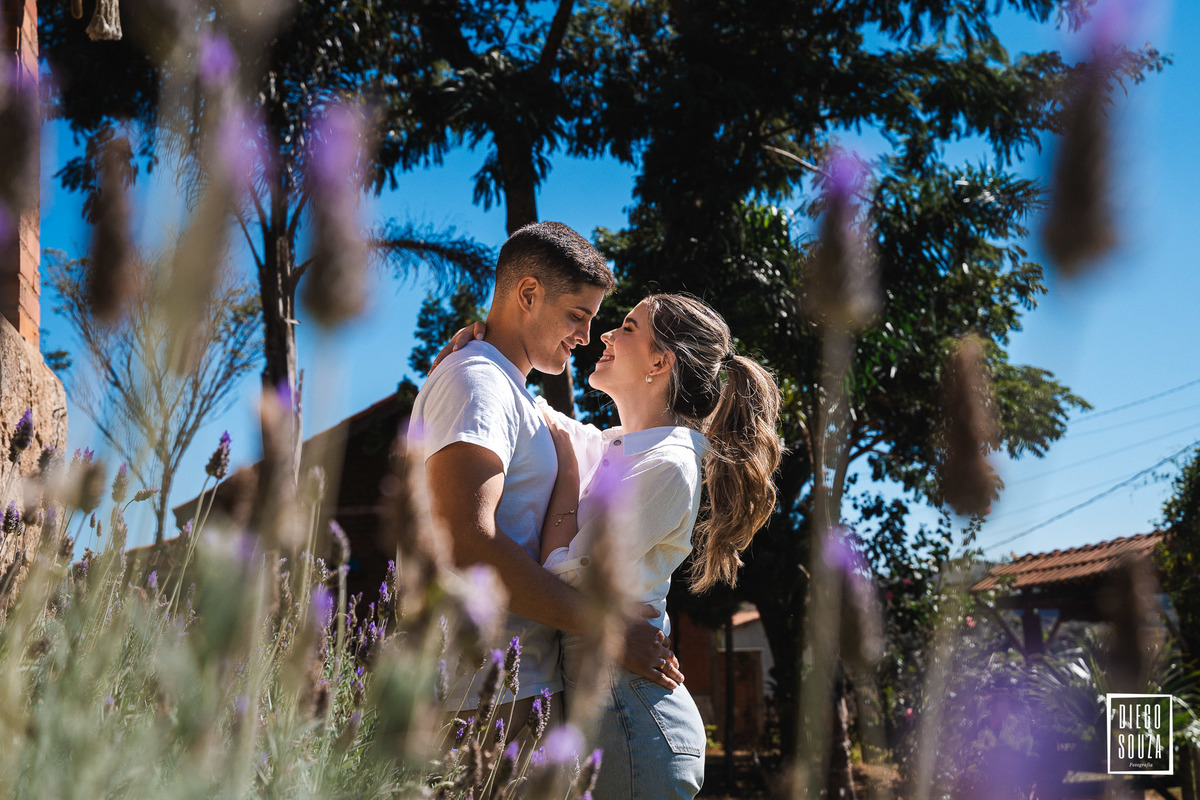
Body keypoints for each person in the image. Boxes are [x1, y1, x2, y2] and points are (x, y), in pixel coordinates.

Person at [443, 293, 783, 799]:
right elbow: (523, 410)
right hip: (605, 714)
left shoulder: (670, 465)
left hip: (635, 721)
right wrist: (471, 357)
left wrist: (568, 477)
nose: (603, 333)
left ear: (659, 361)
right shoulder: (615, 443)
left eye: (627, 326)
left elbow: (561, 576)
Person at [408, 222, 682, 734]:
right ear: (528, 293)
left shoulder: (509, 392)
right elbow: (465, 543)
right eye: (577, 315)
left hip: (519, 689)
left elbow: (616, 445)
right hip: (477, 699)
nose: (585, 336)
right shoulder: (477, 382)